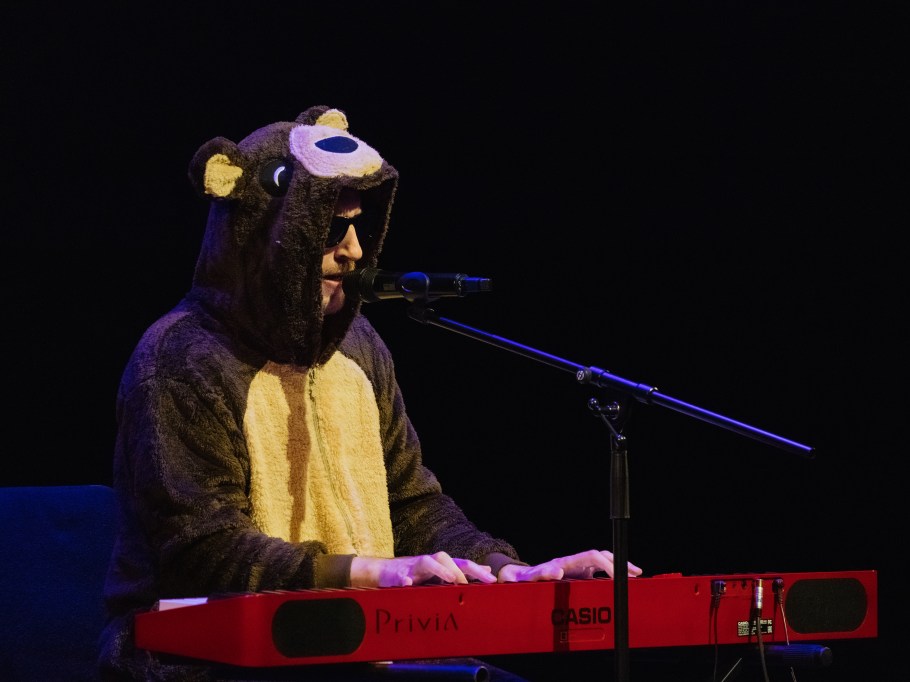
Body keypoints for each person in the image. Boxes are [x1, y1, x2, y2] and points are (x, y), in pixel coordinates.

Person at [98, 105, 641, 681]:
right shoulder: (181, 358)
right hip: (206, 663)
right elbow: (203, 551)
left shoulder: (359, 346)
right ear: (264, 232)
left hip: (353, 650)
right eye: (330, 228)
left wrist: (505, 570)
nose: (354, 250)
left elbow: (411, 506)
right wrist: (371, 574)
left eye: (357, 226)